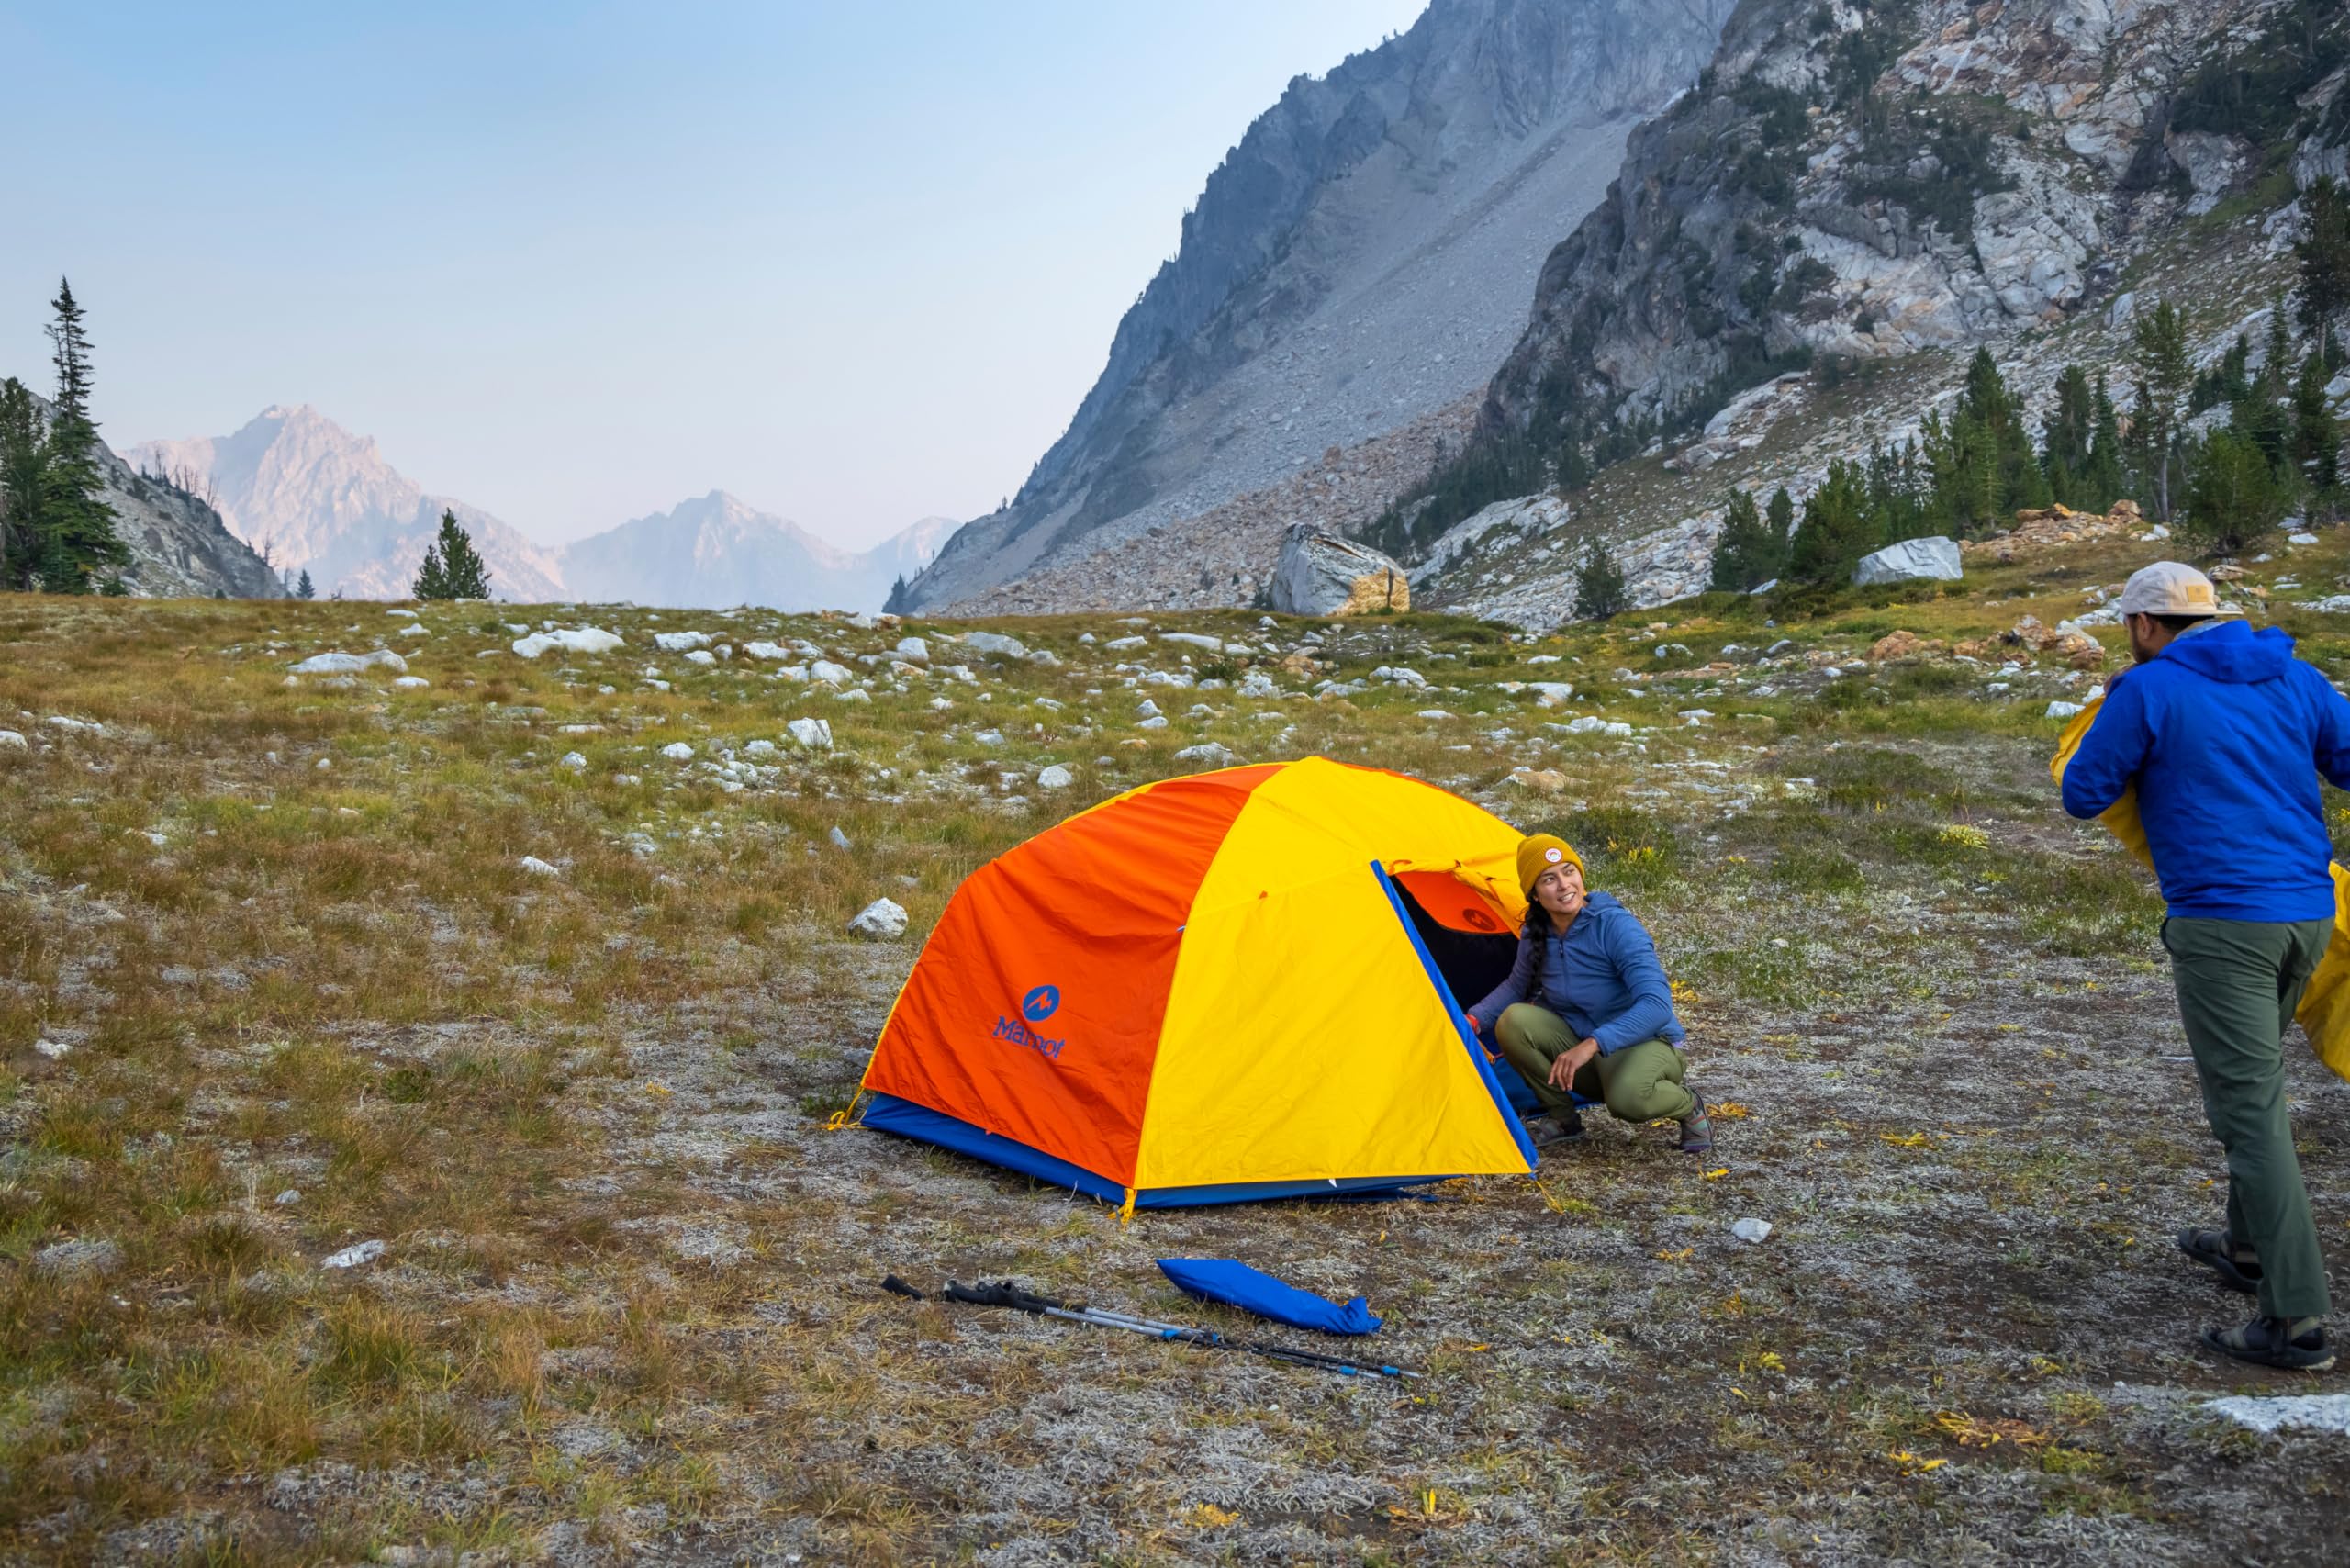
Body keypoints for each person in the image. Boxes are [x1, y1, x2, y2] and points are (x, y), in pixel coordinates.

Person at [2061, 560, 2344, 1372]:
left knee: (2249, 1112)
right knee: (2258, 1088)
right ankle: (2248, 1251)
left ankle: (2293, 1320)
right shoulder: (2295, 675)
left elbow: (2084, 793)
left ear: (2146, 626)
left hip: (2225, 926)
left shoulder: (2148, 691)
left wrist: (2123, 711)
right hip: (2309, 916)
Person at [1464, 834, 1712, 1155]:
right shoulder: (1536, 933)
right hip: (1585, 1052)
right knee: (1514, 1021)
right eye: (1549, 879)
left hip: (1645, 1044)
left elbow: (1657, 1005)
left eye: (1569, 872)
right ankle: (1563, 1118)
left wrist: (1593, 1044)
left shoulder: (1615, 926)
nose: (1564, 885)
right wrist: (1473, 1018)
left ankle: (1688, 1105)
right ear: (1535, 894)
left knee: (1627, 1101)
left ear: (1581, 876)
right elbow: (1516, 986)